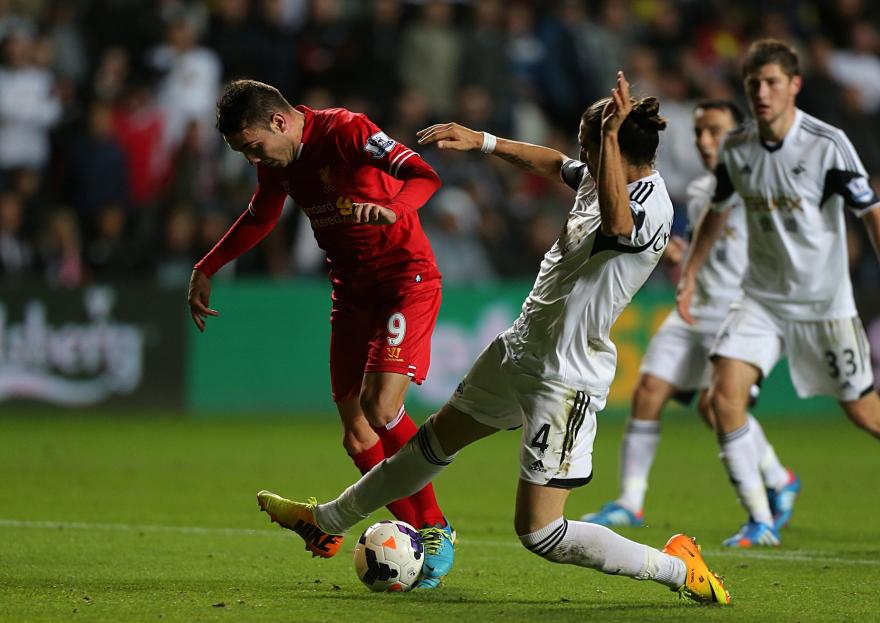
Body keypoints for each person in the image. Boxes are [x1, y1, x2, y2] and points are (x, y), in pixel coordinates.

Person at [257, 73, 730, 604]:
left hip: (564, 377)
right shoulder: (600, 177)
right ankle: (323, 521)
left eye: (589, 145)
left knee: (541, 534)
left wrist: (610, 145)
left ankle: (675, 567)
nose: (580, 155)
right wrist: (483, 141)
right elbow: (554, 163)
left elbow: (619, 225)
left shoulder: (650, 209)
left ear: (615, 151)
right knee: (427, 447)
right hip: (519, 349)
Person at [677, 39, 880, 547]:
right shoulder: (738, 148)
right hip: (761, 299)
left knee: (865, 412)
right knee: (722, 398)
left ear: (794, 86)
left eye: (772, 83)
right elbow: (717, 209)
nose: (762, 93)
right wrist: (692, 271)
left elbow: (874, 213)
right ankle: (761, 519)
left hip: (824, 305)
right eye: (753, 85)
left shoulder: (826, 144)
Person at [187, 79, 455, 587]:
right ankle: (407, 535)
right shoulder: (279, 163)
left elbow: (424, 175)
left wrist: (395, 208)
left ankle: (437, 528)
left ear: (280, 122)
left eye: (253, 146)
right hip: (351, 295)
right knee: (357, 434)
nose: (252, 159)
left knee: (381, 408)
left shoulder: (347, 131)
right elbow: (261, 215)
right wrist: (208, 266)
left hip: (405, 280)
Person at [582, 100, 800, 531]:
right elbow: (709, 244)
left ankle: (777, 479)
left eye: (715, 132)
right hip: (693, 307)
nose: (704, 141)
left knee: (713, 406)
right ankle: (630, 501)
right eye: (699, 132)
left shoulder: (764, 185)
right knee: (647, 392)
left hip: (737, 313)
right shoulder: (703, 190)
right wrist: (680, 252)